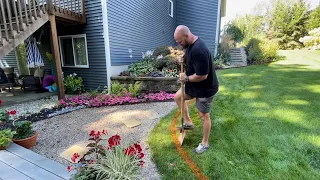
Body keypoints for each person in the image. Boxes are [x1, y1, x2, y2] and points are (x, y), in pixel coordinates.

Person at [173, 25, 219, 153]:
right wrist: (184, 58)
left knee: (203, 115)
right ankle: (188, 122)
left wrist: (186, 79)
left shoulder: (200, 50)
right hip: (195, 85)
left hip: (206, 88)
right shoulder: (190, 46)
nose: (180, 44)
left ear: (186, 36)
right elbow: (190, 57)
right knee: (178, 97)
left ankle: (205, 143)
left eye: (180, 41)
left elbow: (202, 76)